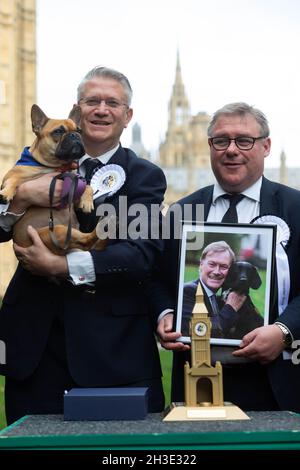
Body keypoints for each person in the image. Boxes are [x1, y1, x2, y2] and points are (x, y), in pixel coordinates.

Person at [0, 66, 167, 424]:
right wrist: (19, 201)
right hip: (35, 350)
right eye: (92, 101)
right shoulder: (29, 167)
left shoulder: (145, 178)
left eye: (112, 102)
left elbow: (140, 256)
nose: (101, 109)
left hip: (112, 353)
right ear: (77, 109)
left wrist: (61, 267)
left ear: (128, 116)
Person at [157, 102, 300, 412]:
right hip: (196, 381)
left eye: (244, 140)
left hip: (277, 379)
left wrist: (284, 331)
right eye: (221, 141)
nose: (231, 150)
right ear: (209, 147)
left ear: (266, 146)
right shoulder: (182, 211)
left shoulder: (295, 207)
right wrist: (164, 314)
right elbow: (156, 279)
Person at [181, 241, 248, 338]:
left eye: (223, 267)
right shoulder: (188, 291)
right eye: (212, 264)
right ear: (201, 265)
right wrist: (231, 308)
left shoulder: (217, 298)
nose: (217, 272)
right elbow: (198, 332)